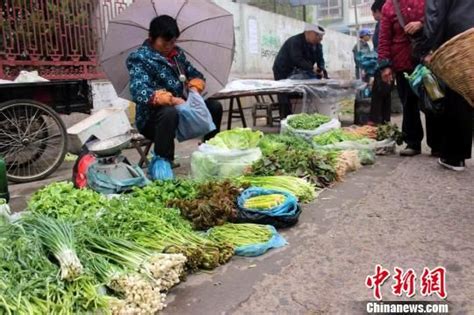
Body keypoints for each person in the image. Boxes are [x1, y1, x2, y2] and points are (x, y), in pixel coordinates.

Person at [127, 15, 223, 180]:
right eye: (164, 43)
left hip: (180, 110)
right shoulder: (139, 58)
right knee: (169, 112)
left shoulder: (177, 55)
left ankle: (209, 151)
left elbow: (195, 74)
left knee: (215, 106)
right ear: (151, 38)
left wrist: (194, 85)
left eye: (172, 42)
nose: (169, 47)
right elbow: (139, 90)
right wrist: (170, 99)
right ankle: (163, 162)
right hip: (153, 118)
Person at [378, 0, 442, 156]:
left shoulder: (429, 2)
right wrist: (385, 65)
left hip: (427, 59)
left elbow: (440, 19)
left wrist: (421, 23)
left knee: (433, 101)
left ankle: (437, 144)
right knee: (408, 104)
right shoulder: (388, 6)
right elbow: (384, 37)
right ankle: (412, 143)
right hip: (402, 62)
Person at [422, 0, 473, 171]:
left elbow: (435, 12)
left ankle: (454, 156)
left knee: (459, 93)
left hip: (460, 37)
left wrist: (430, 47)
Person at [272, 24, 327, 118]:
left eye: (321, 37)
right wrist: (311, 68)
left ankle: (306, 114)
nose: (320, 39)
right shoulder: (295, 41)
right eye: (317, 36)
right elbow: (297, 59)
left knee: (309, 89)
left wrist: (320, 68)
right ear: (308, 33)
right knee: (284, 93)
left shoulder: (317, 45)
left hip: (300, 71)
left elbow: (320, 59)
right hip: (283, 70)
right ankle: (285, 118)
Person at [369, 0, 392, 125]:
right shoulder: (389, 20)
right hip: (388, 63)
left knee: (378, 94)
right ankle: (384, 120)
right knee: (385, 93)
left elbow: (381, 45)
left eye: (373, 14)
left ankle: (377, 122)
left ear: (378, 11)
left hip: (382, 64)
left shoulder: (382, 23)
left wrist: (381, 64)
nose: (374, 17)